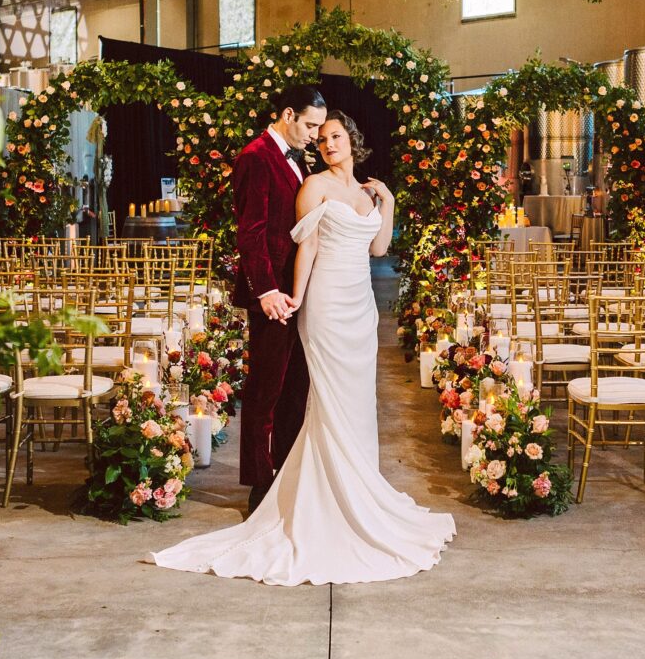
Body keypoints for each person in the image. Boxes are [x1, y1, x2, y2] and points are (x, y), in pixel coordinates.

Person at [148, 111, 455, 586]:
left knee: (357, 402)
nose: (328, 143)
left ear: (352, 141)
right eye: (323, 137)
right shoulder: (313, 186)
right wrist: (292, 298)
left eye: (336, 136)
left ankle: (359, 490)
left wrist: (388, 202)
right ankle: (324, 499)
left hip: (362, 307)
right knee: (326, 398)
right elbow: (307, 248)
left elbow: (379, 249)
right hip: (327, 303)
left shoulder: (366, 192)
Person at [231, 85, 328, 514]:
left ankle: (286, 474)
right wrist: (267, 291)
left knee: (295, 388)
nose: (314, 136)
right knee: (264, 392)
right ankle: (258, 484)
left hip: (298, 292)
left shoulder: (296, 158)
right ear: (288, 114)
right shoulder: (255, 156)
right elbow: (250, 231)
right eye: (310, 125)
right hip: (273, 296)